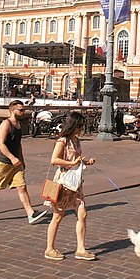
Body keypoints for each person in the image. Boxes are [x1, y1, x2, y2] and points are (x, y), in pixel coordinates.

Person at [0, 100, 49, 225]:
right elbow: (1, 144)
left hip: (16, 163)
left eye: (23, 110)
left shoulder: (19, 125)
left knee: (22, 187)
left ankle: (30, 213)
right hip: (3, 162)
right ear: (12, 110)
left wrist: (21, 159)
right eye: (20, 110)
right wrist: (12, 158)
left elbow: (18, 144)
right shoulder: (6, 124)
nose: (23, 112)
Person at [44, 111, 97, 261]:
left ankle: (80, 249)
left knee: (82, 213)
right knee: (58, 215)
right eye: (79, 126)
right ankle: (49, 248)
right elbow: (54, 160)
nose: (81, 128)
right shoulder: (62, 141)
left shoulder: (77, 140)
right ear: (73, 125)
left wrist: (86, 162)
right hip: (64, 182)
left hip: (76, 182)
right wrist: (71, 163)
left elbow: (76, 160)